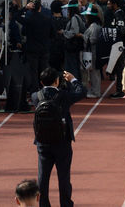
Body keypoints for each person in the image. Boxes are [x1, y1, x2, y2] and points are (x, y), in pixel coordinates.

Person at [32, 68, 85, 207]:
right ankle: (66, 204)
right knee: (63, 177)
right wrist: (72, 79)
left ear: (42, 82)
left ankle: (43, 204)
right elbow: (82, 92)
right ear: (57, 81)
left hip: (42, 142)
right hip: (62, 141)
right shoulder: (63, 96)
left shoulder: (35, 96)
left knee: (42, 177)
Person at [81, 6, 102, 98]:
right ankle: (94, 90)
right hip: (92, 52)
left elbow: (93, 40)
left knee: (94, 72)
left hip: (93, 52)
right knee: (93, 72)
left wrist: (82, 36)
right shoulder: (95, 25)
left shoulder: (94, 26)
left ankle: (96, 92)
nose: (86, 17)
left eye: (87, 15)